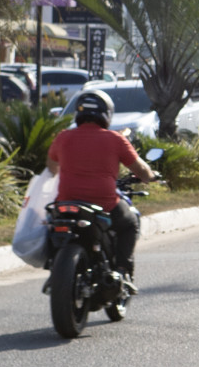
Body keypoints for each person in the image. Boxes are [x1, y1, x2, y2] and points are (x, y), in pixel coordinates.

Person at [45, 91, 159, 287]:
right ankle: (122, 271)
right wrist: (151, 177)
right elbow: (141, 170)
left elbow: (51, 167)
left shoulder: (63, 137)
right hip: (104, 205)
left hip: (66, 203)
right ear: (106, 114)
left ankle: (53, 266)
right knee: (130, 223)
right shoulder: (115, 139)